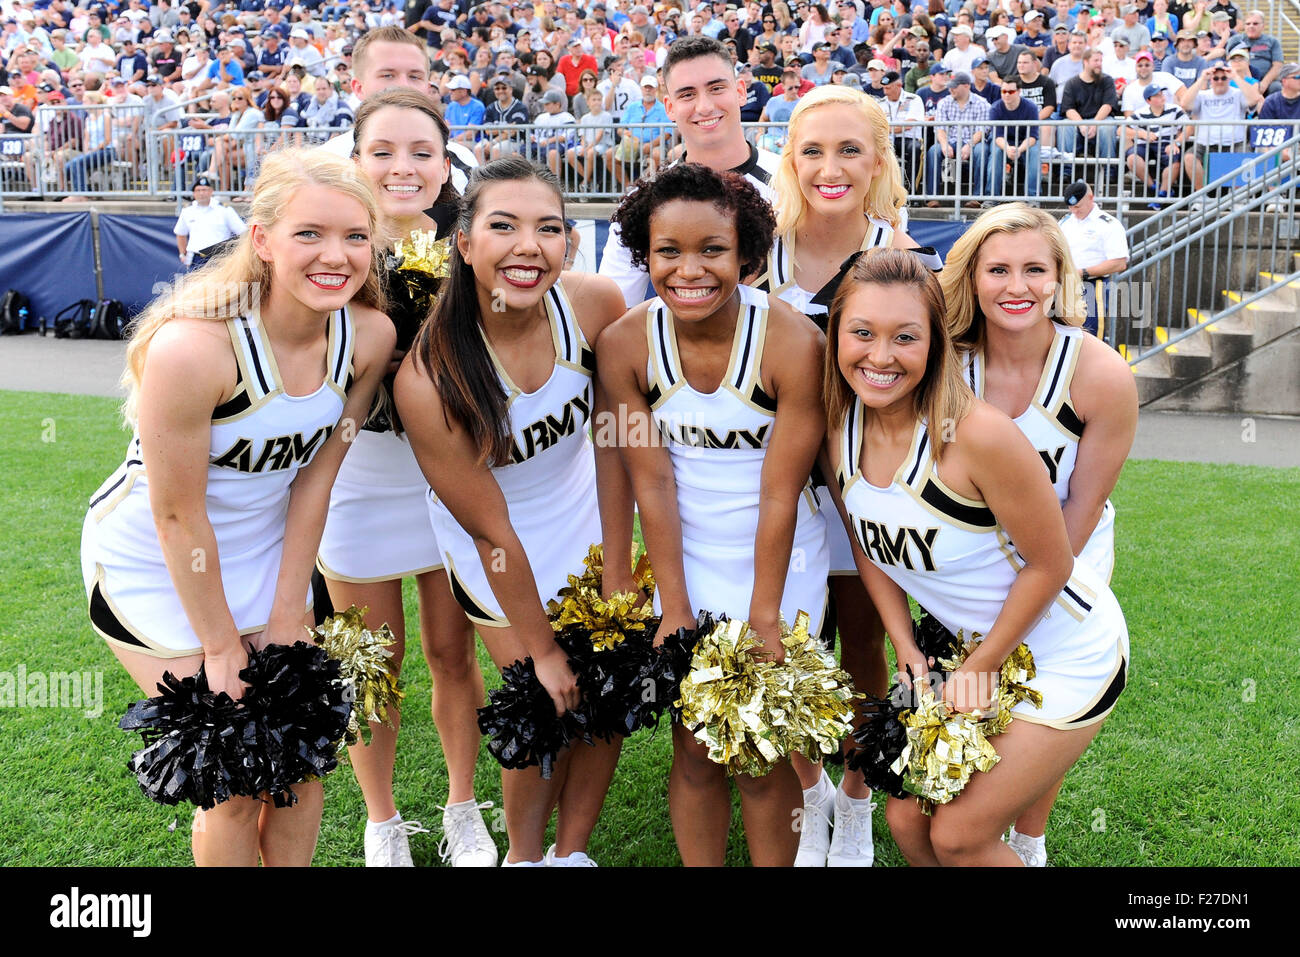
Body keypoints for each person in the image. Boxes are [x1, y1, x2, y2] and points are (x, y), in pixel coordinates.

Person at [80, 148, 394, 866]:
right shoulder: (195, 349)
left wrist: (291, 605)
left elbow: (317, 478)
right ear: (262, 241)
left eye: (354, 236)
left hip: (264, 552)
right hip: (155, 564)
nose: (335, 255)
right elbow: (176, 517)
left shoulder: (368, 338)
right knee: (235, 776)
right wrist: (223, 646)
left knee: (304, 763)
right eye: (308, 233)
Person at [821, 248, 1129, 867]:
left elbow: (1052, 564)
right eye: (862, 333)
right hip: (973, 653)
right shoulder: (840, 427)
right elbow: (866, 545)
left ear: (936, 345)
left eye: (906, 337)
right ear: (836, 337)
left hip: (1065, 652)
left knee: (958, 834)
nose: (881, 357)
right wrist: (905, 648)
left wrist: (981, 665)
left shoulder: (978, 435)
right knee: (907, 820)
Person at [393, 157, 629, 867]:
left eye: (548, 228)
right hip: (494, 549)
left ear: (569, 241)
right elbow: (492, 532)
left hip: (585, 523)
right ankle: (524, 857)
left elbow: (615, 446)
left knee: (606, 700)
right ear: (464, 242)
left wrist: (617, 563)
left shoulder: (594, 304)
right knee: (543, 707)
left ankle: (571, 853)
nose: (529, 246)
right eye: (504, 226)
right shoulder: (429, 378)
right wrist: (545, 650)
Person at [603, 162, 828, 867]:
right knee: (695, 743)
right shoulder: (625, 344)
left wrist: (766, 614)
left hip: (782, 556)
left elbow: (780, 491)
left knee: (761, 748)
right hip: (687, 551)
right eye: (669, 250)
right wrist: (673, 604)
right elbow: (654, 483)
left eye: (712, 250)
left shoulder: (793, 342)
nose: (689, 269)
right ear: (646, 252)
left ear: (747, 255)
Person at [758, 84, 939, 867]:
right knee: (791, 646)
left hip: (870, 487)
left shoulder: (907, 257)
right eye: (812, 151)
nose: (830, 168)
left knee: (866, 644)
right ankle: (810, 791)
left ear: (877, 161)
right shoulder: (753, 253)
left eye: (849, 150)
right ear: (790, 161)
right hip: (771, 489)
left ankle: (859, 800)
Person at [940, 203, 1137, 866]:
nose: (1015, 286)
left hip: (1067, 554)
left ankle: (1030, 836)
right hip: (973, 555)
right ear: (972, 277)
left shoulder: (1100, 372)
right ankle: (997, 813)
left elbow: (1081, 503)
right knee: (987, 690)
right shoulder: (948, 367)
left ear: (1061, 276)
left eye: (1034, 269)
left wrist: (1028, 587)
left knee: (1040, 688)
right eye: (997, 269)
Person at [602, 36, 783, 306]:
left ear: (741, 91)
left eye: (717, 88)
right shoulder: (644, 201)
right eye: (687, 94)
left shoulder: (793, 179)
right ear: (670, 108)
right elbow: (614, 307)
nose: (705, 106)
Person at [318, 26, 477, 193]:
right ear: (358, 88)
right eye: (388, 75)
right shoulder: (324, 162)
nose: (403, 86)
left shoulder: (461, 162)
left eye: (414, 76)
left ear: (427, 88)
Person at [1176, 58, 1263, 188]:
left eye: (1224, 78)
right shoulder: (1202, 95)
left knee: (1244, 160)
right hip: (1205, 143)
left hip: (1235, 142)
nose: (1220, 81)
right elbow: (1184, 103)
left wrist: (1235, 76)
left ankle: (1237, 198)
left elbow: (1255, 98)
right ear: (1211, 80)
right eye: (1216, 78)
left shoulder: (1238, 93)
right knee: (1189, 158)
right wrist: (1202, 79)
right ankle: (1202, 197)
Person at [1059, 180, 1129, 337]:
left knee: (1090, 336)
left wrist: (1083, 272)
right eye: (1070, 207)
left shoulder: (1108, 225)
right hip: (1065, 285)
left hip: (1092, 285)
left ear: (1091, 198)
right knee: (1063, 335)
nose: (1074, 211)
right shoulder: (1065, 222)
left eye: (1077, 206)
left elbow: (1119, 263)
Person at [925, 70, 989, 205]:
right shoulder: (944, 102)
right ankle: (932, 197)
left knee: (981, 151)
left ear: (966, 86)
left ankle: (977, 197)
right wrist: (944, 144)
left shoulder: (981, 103)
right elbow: (940, 128)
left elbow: (982, 130)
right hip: (951, 141)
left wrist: (969, 145)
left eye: (954, 86)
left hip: (973, 142)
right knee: (933, 151)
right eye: (950, 86)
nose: (950, 89)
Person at [174, 174, 247, 270]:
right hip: (196, 258)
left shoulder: (224, 210)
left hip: (219, 258)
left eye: (204, 190)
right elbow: (180, 234)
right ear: (194, 194)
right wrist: (182, 254)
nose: (201, 193)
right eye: (198, 190)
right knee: (195, 285)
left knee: (219, 285)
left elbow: (243, 233)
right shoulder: (188, 210)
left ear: (211, 191)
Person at [987, 75, 1041, 198]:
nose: (1006, 95)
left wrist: (1019, 149)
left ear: (1019, 91)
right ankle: (991, 197)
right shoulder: (995, 108)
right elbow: (997, 135)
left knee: (1034, 153)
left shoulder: (1031, 107)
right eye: (1003, 91)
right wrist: (1007, 149)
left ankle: (1032, 197)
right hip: (1002, 141)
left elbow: (1032, 136)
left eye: (1010, 91)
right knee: (996, 153)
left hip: (1024, 141)